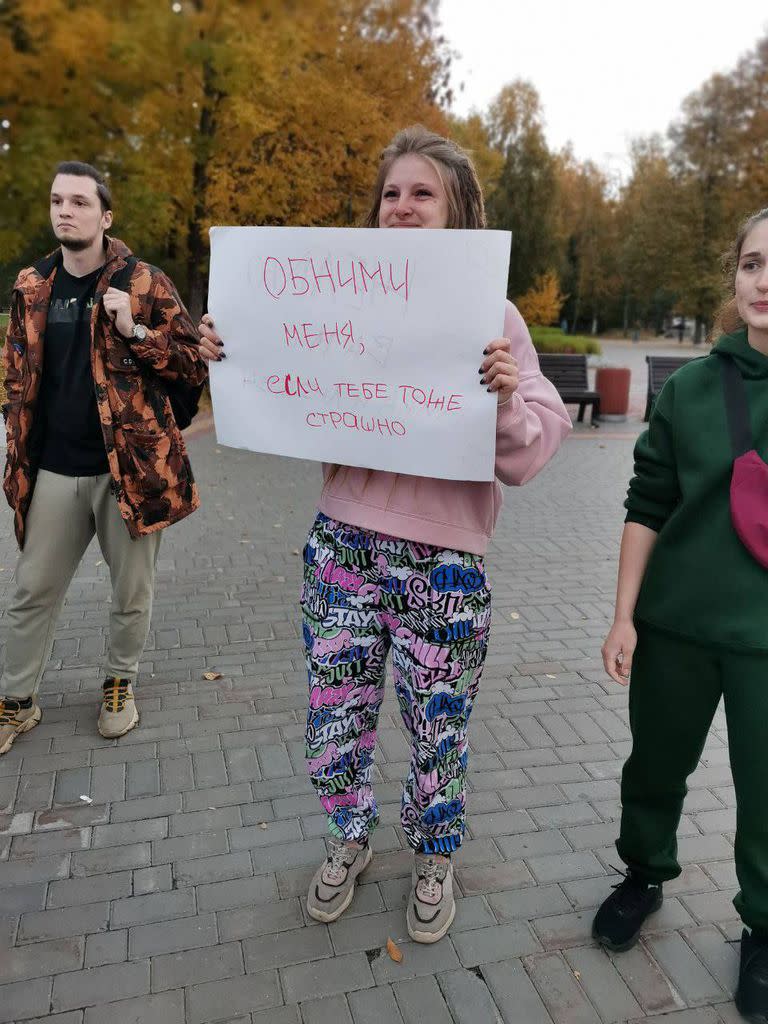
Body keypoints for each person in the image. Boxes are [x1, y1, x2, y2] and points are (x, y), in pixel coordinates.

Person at [198, 125, 572, 943]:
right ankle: (347, 835)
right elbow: (281, 386)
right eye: (391, 193)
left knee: (437, 725)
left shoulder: (494, 314)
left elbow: (539, 443)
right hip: (342, 544)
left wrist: (507, 397)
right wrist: (230, 355)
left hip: (444, 560)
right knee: (335, 709)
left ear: (458, 210)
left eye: (422, 193)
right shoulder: (331, 302)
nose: (402, 206)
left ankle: (433, 856)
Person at [594, 207, 768, 1023]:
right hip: (676, 627)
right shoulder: (695, 388)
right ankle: (643, 874)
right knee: (656, 766)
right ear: (734, 279)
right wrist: (623, 615)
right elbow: (648, 502)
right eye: (753, 264)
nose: (765, 281)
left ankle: (763, 928)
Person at [0, 161, 207, 755]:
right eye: (57, 201)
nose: (66, 211)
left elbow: (195, 363)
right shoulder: (30, 286)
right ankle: (16, 699)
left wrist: (135, 331)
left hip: (132, 473)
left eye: (80, 202)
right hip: (54, 471)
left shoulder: (144, 284)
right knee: (31, 589)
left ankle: (120, 684)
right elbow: (17, 376)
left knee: (130, 591)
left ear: (105, 215)